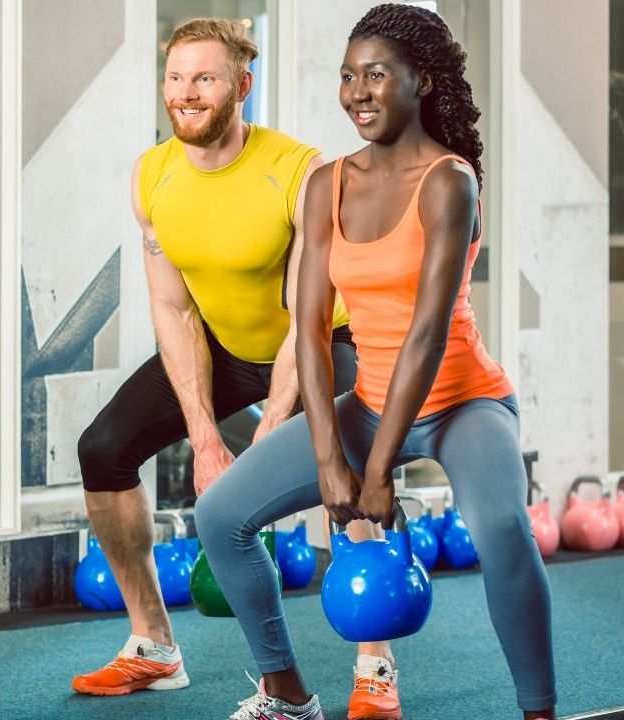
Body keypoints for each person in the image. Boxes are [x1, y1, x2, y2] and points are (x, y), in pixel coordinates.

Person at [194, 5, 557, 720]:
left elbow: (426, 332)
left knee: (502, 529)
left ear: (421, 81)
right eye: (347, 76)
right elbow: (308, 326)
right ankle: (288, 695)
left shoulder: (451, 182)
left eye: (376, 74)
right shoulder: (328, 183)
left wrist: (379, 468)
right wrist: (332, 460)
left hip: (462, 402)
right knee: (219, 515)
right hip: (369, 404)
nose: (358, 91)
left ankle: (539, 710)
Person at [72, 17, 402, 720]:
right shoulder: (153, 174)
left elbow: (306, 318)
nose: (185, 93)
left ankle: (375, 666)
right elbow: (174, 310)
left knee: (338, 471)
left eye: (204, 78)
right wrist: (205, 435)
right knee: (102, 448)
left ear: (242, 87)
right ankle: (154, 646)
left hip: (322, 344)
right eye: (175, 77)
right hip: (223, 349)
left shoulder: (299, 171)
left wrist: (266, 436)